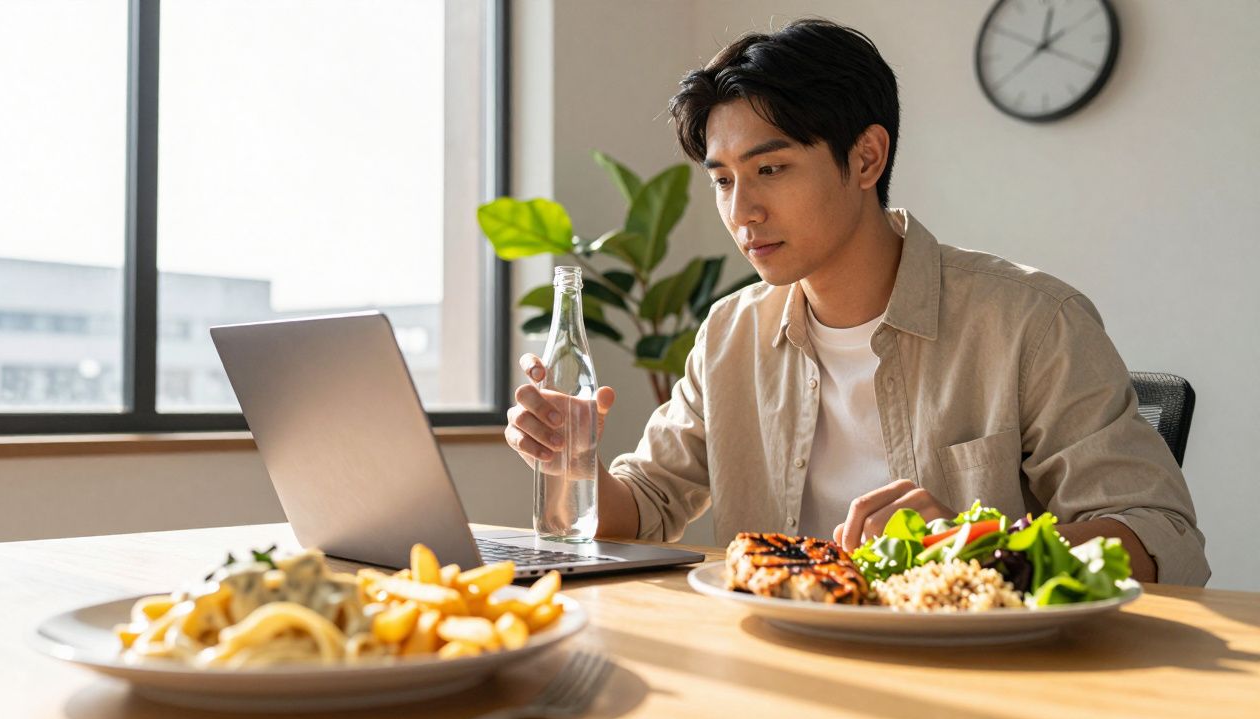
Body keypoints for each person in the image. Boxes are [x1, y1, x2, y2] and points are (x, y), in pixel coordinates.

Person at [503, 18, 1209, 585]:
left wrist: (977, 543)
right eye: (722, 180)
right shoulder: (730, 333)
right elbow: (646, 506)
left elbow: (1160, 537)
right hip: (781, 658)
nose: (742, 211)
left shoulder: (1031, 321)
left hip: (974, 674)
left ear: (867, 158)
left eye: (770, 168)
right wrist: (574, 463)